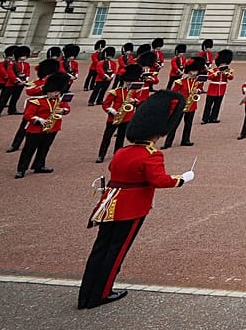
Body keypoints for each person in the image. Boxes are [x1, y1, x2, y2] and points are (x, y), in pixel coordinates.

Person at [78, 89, 195, 309]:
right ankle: (100, 294)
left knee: (100, 249)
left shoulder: (123, 151)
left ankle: (86, 294)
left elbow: (114, 169)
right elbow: (159, 181)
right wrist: (183, 179)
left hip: (109, 203)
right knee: (116, 251)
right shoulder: (151, 155)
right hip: (131, 207)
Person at [15, 71, 71, 178]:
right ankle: (21, 169)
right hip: (36, 129)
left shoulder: (59, 100)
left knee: (44, 148)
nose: (57, 94)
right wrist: (39, 120)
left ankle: (39, 165)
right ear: (49, 91)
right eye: (55, 91)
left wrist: (63, 110)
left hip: (52, 127)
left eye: (58, 92)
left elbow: (67, 109)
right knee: (29, 149)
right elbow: (27, 115)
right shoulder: (37, 101)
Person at [99, 65, 148, 162]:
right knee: (107, 137)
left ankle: (117, 154)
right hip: (114, 117)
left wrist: (135, 101)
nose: (129, 83)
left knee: (120, 138)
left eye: (130, 82)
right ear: (124, 81)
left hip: (127, 117)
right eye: (128, 82)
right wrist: (111, 110)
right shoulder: (115, 91)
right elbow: (106, 104)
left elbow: (140, 99)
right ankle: (101, 155)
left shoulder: (134, 91)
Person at [163, 57, 205, 148]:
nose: (194, 73)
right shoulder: (180, 82)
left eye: (196, 71)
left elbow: (200, 90)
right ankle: (168, 142)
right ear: (189, 71)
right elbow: (173, 93)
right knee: (174, 125)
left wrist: (198, 91)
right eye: (193, 71)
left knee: (188, 124)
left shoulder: (198, 82)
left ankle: (185, 140)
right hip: (181, 105)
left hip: (192, 105)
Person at [201, 50, 232, 124]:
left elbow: (231, 78)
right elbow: (209, 77)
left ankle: (214, 117)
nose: (223, 65)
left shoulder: (228, 70)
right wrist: (216, 73)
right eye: (222, 63)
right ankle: (205, 119)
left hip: (221, 89)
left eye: (224, 63)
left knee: (217, 105)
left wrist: (227, 74)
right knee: (208, 105)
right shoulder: (213, 70)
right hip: (212, 89)